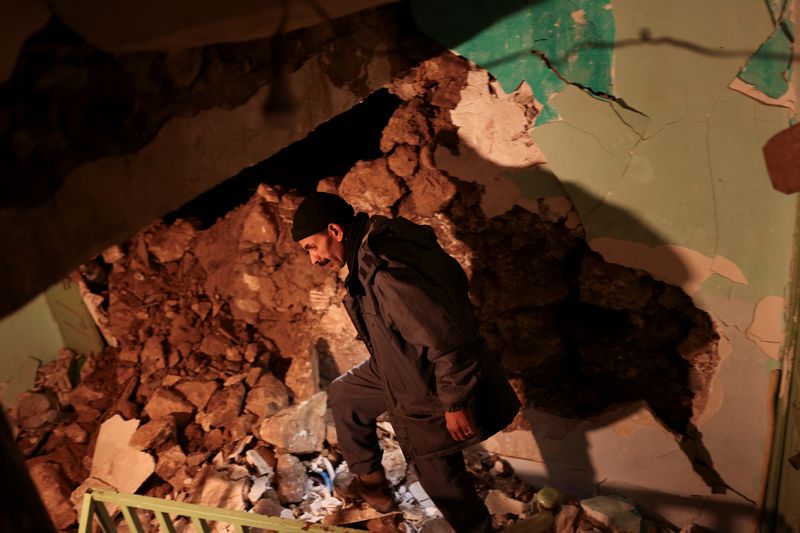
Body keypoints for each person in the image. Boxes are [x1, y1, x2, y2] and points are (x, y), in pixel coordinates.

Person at [291, 192, 520, 533]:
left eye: (312, 247)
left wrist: (456, 401)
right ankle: (374, 489)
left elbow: (446, 339)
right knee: (346, 394)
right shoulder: (377, 245)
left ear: (335, 231)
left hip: (426, 381)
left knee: (440, 477)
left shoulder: (384, 272)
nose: (313, 259)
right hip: (399, 364)